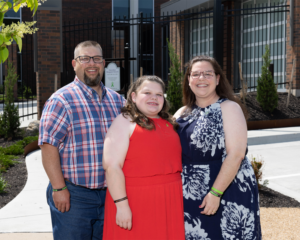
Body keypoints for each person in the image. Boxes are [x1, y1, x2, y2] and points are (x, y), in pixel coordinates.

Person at [38, 40, 125, 240]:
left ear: (103, 63)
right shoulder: (61, 100)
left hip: (111, 194)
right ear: (74, 64)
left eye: (96, 58)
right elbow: (48, 146)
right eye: (84, 58)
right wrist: (59, 188)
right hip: (74, 195)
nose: (91, 63)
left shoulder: (117, 101)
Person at [174, 55, 262, 239]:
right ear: (188, 79)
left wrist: (216, 192)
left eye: (208, 73)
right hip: (191, 192)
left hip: (226, 190)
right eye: (196, 74)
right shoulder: (182, 112)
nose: (201, 78)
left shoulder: (229, 108)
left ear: (217, 79)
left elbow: (236, 154)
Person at [102, 75, 185, 240]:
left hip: (170, 199)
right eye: (147, 92)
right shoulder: (124, 121)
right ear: (133, 96)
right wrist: (121, 204)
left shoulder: (168, 123)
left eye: (159, 94)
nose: (154, 97)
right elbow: (112, 166)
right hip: (135, 200)